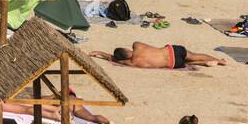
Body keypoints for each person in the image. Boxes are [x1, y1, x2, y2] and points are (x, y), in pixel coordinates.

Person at [90, 43, 226, 68]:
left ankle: (203, 64)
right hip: (172, 51)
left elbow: (114, 60)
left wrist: (101, 54)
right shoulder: (137, 45)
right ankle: (219, 60)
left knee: (187, 63)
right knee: (194, 55)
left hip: (172, 63)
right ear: (127, 49)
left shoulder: (132, 63)